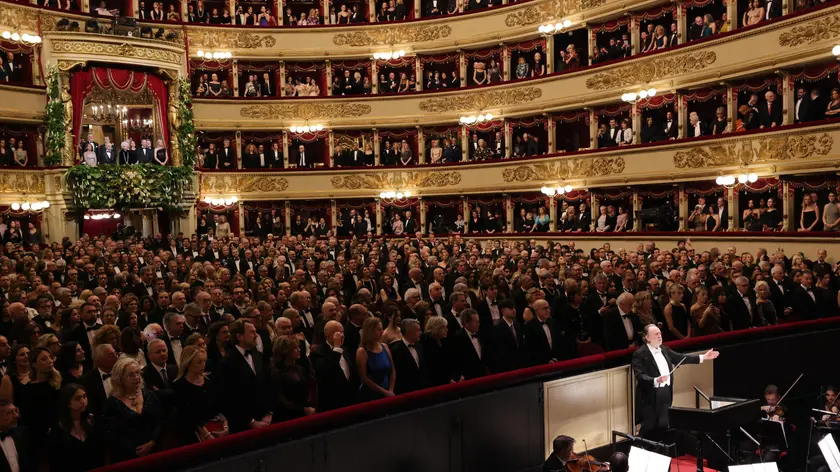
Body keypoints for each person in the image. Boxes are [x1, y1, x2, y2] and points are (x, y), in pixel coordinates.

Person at [632, 324, 719, 440]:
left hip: (665, 393)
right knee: (649, 427)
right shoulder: (639, 354)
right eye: (656, 334)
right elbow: (640, 376)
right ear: (647, 337)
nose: (659, 336)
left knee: (663, 425)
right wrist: (656, 380)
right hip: (650, 396)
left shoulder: (664, 349)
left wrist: (703, 357)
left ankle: (662, 449)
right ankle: (640, 448)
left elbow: (680, 358)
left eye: (660, 333)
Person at [100, 357, 164, 462]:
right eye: (131, 375)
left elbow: (160, 421)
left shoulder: (150, 395)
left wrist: (152, 442)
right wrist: (135, 450)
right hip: (128, 457)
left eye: (138, 373)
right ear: (120, 379)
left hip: (155, 450)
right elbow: (111, 435)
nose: (137, 377)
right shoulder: (111, 404)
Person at [216, 319, 273, 433]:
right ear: (239, 336)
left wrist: (269, 413)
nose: (256, 335)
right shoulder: (227, 363)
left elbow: (269, 385)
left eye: (255, 332)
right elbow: (229, 398)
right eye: (252, 332)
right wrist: (251, 422)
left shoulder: (258, 356)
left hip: (266, 421)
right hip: (243, 427)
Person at [50, 383, 104, 471]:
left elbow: (100, 452)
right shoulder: (59, 428)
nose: (83, 401)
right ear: (68, 403)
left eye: (84, 396)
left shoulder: (91, 420)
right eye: (77, 398)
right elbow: (57, 462)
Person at [355, 317, 395, 401]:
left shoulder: (385, 346)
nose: (382, 332)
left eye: (382, 329)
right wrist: (384, 392)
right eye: (379, 329)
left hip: (388, 391)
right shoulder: (362, 351)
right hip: (370, 394)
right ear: (370, 331)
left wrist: (390, 390)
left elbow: (392, 370)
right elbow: (364, 378)